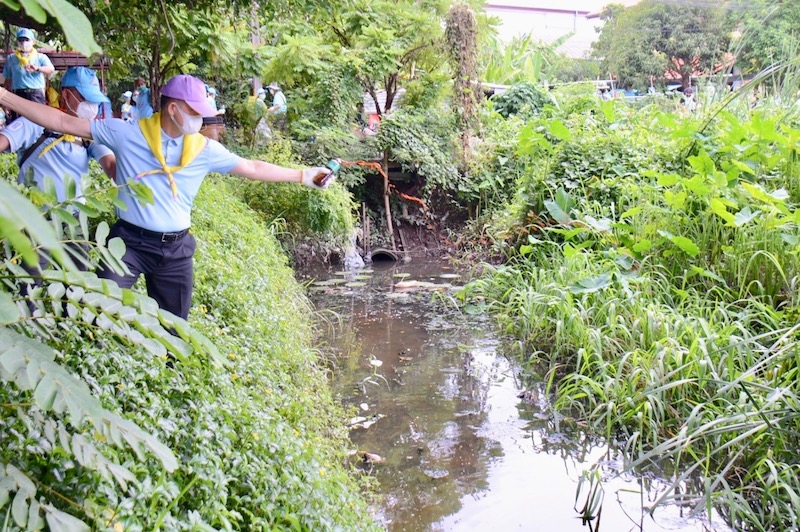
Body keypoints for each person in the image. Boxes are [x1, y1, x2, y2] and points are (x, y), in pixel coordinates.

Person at [0, 74, 335, 320]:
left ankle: (172, 377)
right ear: (173, 109)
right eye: (196, 110)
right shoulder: (126, 133)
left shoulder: (203, 149)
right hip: (128, 245)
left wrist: (303, 176)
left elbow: (251, 166)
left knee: (175, 326)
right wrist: (6, 97)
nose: (202, 118)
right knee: (101, 313)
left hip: (175, 250)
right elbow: (60, 119)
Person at [3, 28, 55, 121]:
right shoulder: (11, 58)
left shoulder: (40, 57)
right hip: (18, 94)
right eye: (21, 40)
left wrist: (38, 68)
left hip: (35, 94)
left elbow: (50, 69)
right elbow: (8, 80)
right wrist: (6, 100)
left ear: (33, 42)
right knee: (17, 121)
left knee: (37, 121)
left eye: (27, 40)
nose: (23, 43)